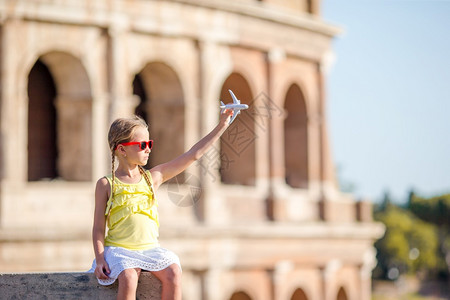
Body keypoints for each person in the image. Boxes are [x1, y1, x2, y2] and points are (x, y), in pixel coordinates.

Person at [89, 108, 233, 300]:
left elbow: (193, 155)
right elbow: (98, 227)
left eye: (149, 143)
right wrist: (100, 260)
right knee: (129, 277)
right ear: (121, 149)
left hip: (150, 249)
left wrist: (222, 125)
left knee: (174, 272)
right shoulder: (107, 184)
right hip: (120, 251)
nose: (148, 148)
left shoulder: (152, 178)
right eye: (142, 145)